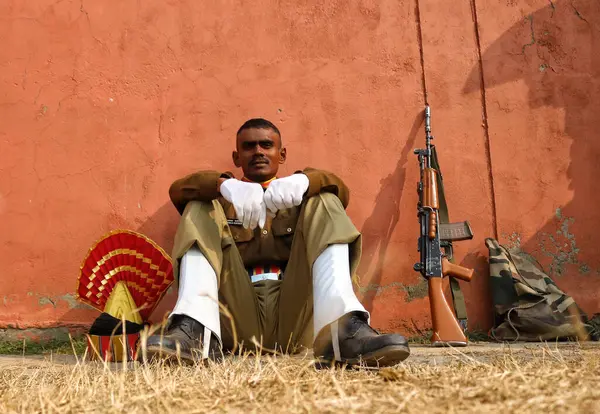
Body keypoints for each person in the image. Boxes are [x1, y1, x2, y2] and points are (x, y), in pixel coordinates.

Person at [145, 118, 410, 367]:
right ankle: (196, 332)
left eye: (267, 145)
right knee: (199, 206)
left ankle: (342, 331)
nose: (258, 151)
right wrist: (222, 185)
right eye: (249, 146)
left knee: (325, 200)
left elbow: (339, 189)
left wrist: (307, 180)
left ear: (282, 155)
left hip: (295, 315)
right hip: (236, 319)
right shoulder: (224, 198)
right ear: (237, 157)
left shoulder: (298, 194)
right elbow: (180, 190)